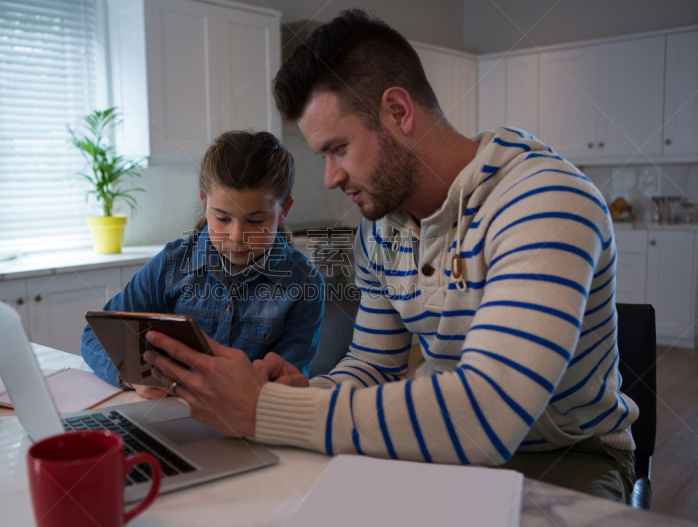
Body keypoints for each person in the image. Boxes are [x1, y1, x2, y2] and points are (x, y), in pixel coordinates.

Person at [139, 10, 638, 502]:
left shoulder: (544, 201)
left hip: (565, 459)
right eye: (321, 157)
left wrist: (265, 409)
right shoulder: (380, 229)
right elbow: (373, 363)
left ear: (398, 112)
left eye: (338, 148)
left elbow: (487, 415)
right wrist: (305, 392)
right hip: (437, 447)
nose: (330, 177)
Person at [81, 130, 325, 398]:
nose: (236, 237)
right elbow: (95, 336)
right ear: (204, 203)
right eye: (222, 218)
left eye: (256, 221)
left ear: (283, 211)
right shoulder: (172, 263)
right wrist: (131, 377)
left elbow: (286, 386)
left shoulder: (305, 284)